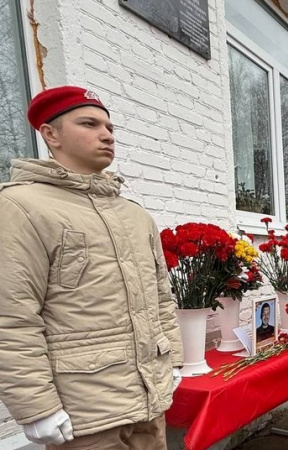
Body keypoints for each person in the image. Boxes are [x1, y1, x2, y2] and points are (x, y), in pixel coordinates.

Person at [0, 86, 183, 448]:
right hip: (85, 414)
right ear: (50, 134)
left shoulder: (134, 215)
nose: (106, 135)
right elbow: (12, 316)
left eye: (110, 128)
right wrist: (36, 406)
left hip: (149, 401)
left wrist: (173, 359)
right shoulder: (21, 207)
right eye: (89, 123)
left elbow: (162, 297)